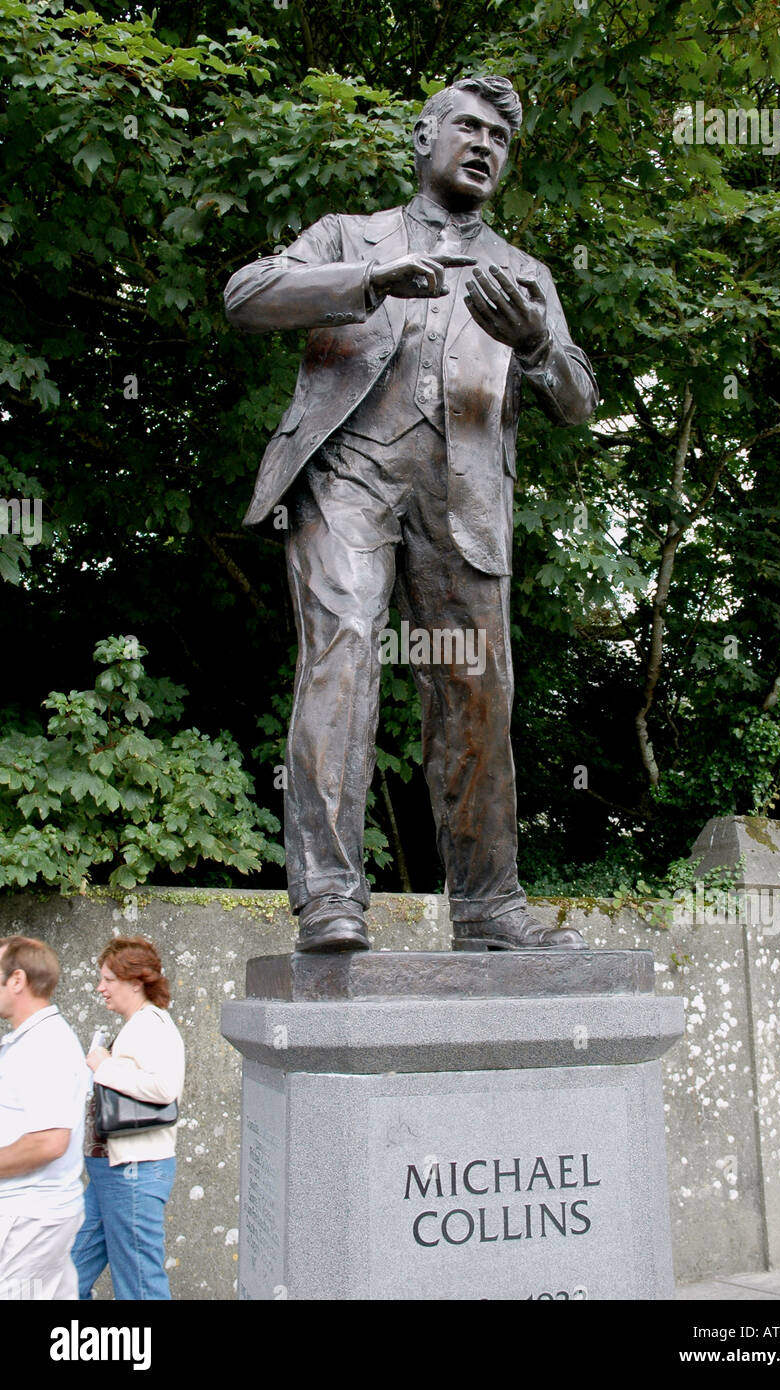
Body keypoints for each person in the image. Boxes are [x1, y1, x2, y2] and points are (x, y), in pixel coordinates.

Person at [224, 75, 599, 954]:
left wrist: (539, 344)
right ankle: (327, 896)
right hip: (349, 476)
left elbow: (580, 401)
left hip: (465, 495)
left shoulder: (523, 272)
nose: (484, 146)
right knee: (343, 659)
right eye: (467, 127)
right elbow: (246, 297)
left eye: (499, 139)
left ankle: (488, 905)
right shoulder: (350, 235)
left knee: (476, 696)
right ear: (424, 137)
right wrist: (366, 279)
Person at [71, 936, 184, 1301]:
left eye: (108, 979)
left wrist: (104, 1067)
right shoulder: (137, 1024)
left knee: (140, 1287)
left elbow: (164, 1088)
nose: (100, 988)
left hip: (133, 1174)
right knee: (66, 1276)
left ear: (136, 982)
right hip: (115, 1173)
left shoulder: (151, 1024)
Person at [0, 935, 88, 1300]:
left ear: (17, 980)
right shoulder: (31, 1040)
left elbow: (50, 1140)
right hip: (35, 1217)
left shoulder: (44, 1045)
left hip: (30, 1219)